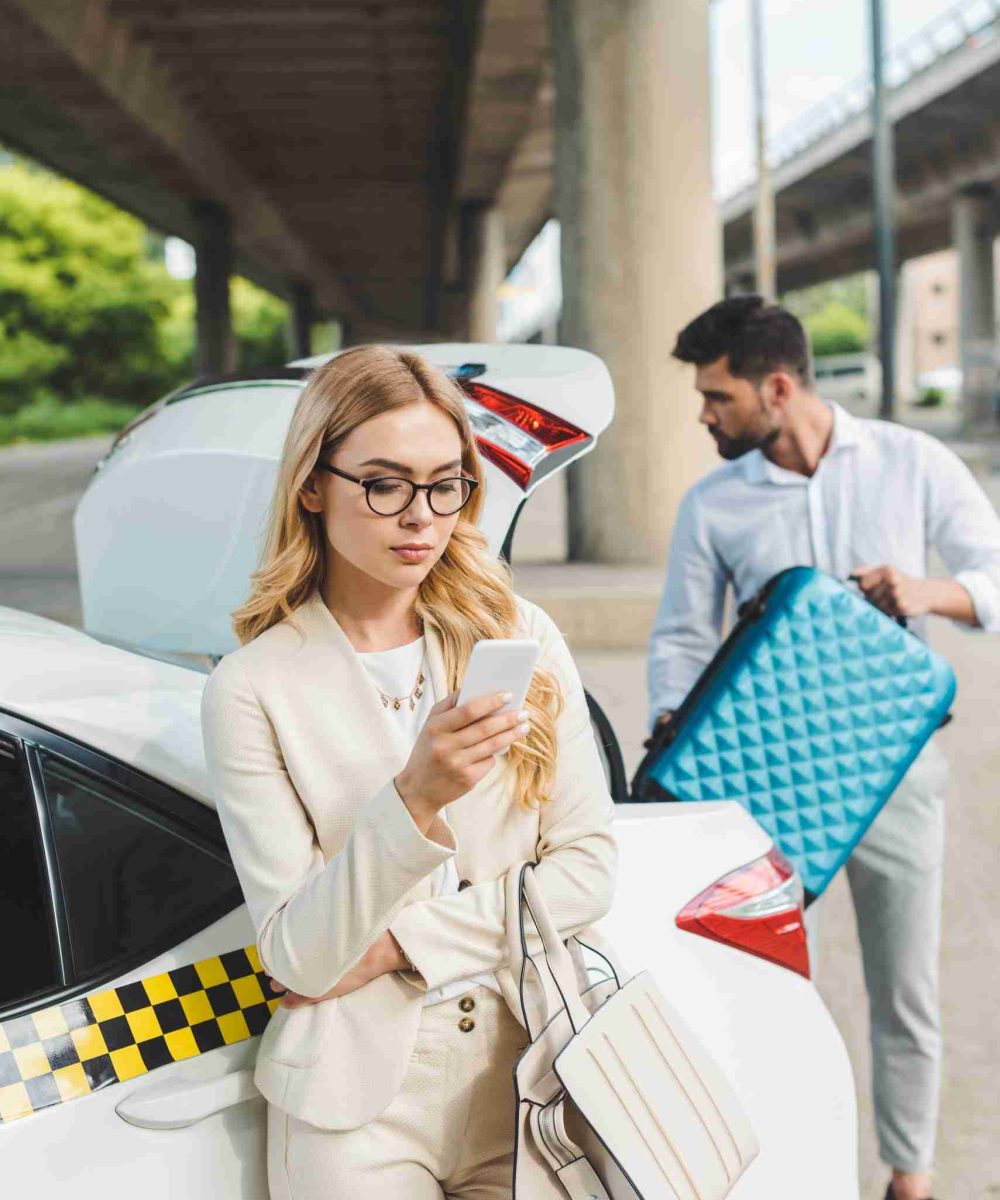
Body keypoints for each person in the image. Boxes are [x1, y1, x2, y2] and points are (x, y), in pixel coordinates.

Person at [200, 345, 617, 1199]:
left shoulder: (520, 636)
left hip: (531, 1072)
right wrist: (414, 797)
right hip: (352, 1112)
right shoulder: (252, 688)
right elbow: (301, 958)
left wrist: (398, 944)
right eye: (384, 484)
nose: (420, 516)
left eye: (445, 483)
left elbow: (588, 869)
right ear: (314, 485)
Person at [647, 296, 1000, 1200]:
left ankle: (909, 1178)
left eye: (717, 397)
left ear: (776, 386)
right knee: (742, 981)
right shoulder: (714, 502)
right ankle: (763, 1169)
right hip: (758, 776)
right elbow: (684, 638)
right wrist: (668, 736)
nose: (704, 415)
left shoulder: (909, 461)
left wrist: (923, 592)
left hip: (893, 766)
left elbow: (992, 574)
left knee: (905, 988)